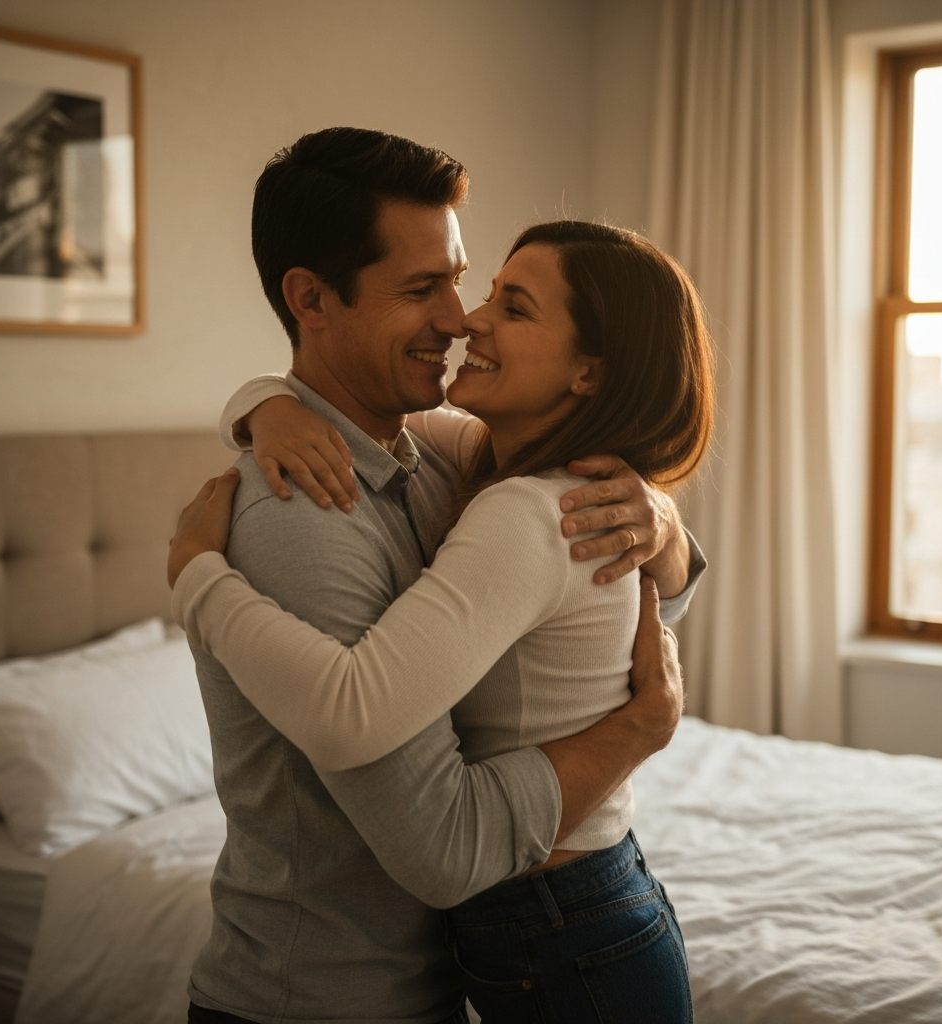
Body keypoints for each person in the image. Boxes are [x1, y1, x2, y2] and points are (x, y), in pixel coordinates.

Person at [171, 128, 705, 1024]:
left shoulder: (444, 458)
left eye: (463, 280)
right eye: (424, 288)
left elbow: (628, 582)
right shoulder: (307, 507)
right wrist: (640, 730)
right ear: (311, 299)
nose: (460, 319)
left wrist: (662, 521)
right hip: (317, 1002)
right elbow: (446, 848)